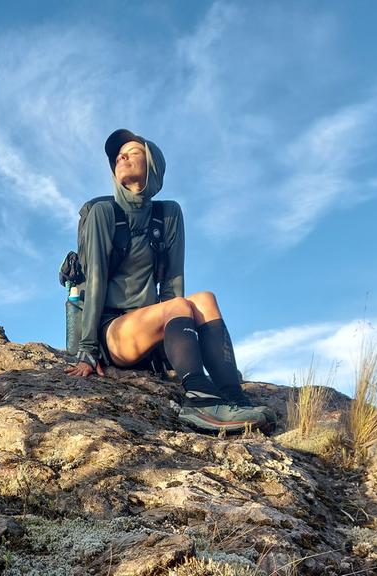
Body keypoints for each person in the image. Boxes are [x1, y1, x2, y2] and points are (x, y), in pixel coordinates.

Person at [65, 128, 274, 432]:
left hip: (153, 330)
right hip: (113, 333)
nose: (123, 156)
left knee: (204, 300)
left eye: (134, 152)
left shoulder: (169, 215)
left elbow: (173, 282)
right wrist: (87, 349)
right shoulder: (102, 212)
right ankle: (200, 403)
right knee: (176, 305)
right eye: (119, 155)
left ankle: (234, 398)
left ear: (153, 167)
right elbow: (94, 278)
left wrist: (173, 350)